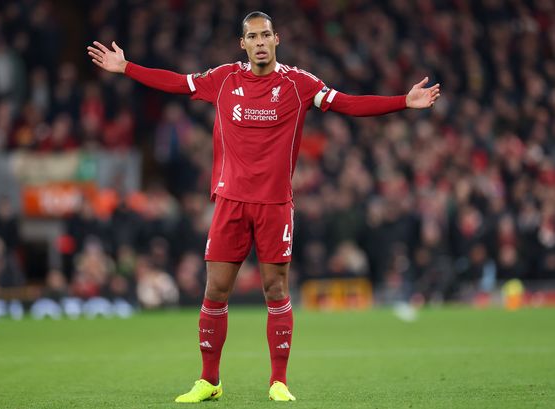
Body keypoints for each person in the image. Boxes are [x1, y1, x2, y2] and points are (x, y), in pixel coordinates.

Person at [88, 11, 440, 403]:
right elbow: (177, 83)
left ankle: (278, 381)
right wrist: (127, 68)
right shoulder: (224, 79)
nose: (259, 42)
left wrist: (403, 102)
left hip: (274, 204)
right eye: (252, 36)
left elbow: (347, 103)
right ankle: (209, 380)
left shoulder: (298, 84)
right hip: (230, 202)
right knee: (215, 289)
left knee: (276, 289)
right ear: (242, 43)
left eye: (266, 35)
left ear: (277, 39)